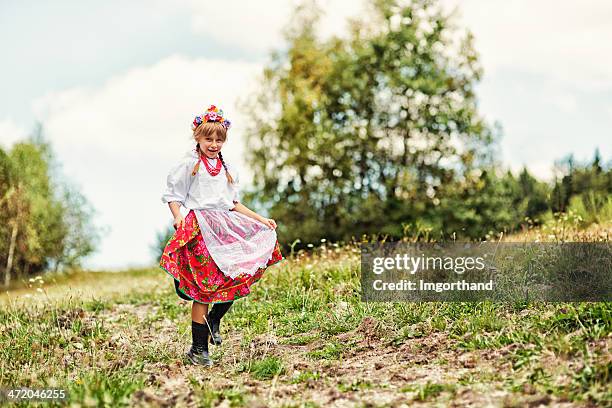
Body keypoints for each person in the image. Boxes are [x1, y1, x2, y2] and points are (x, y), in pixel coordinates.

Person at [159, 105, 284, 367]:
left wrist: (260, 219)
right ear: (198, 138)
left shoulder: (227, 168)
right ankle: (198, 349)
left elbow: (232, 203)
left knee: (236, 273)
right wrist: (178, 217)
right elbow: (173, 196)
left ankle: (215, 318)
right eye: (209, 139)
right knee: (203, 290)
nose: (214, 144)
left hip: (223, 227)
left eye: (219, 140)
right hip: (200, 227)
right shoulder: (190, 165)